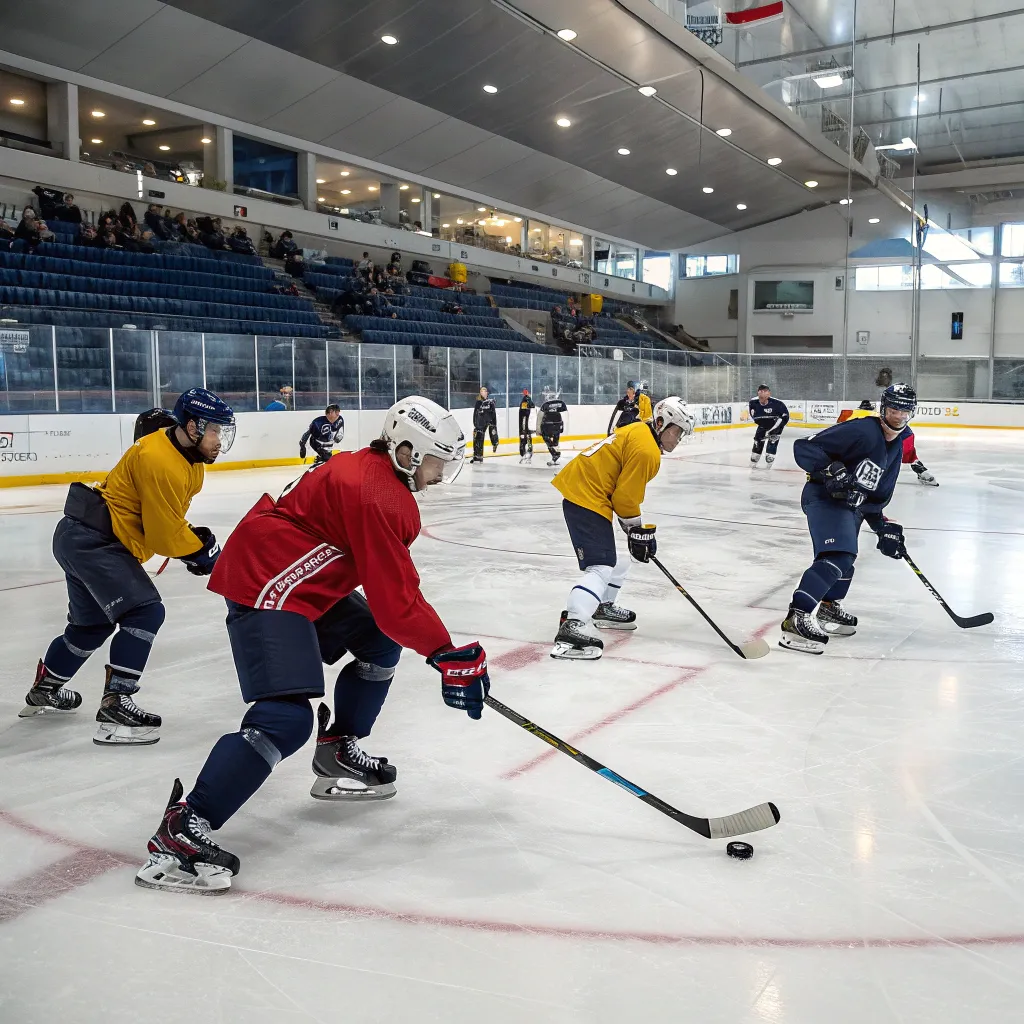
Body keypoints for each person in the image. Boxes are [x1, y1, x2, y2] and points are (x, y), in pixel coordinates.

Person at [135, 397, 491, 896]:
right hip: (269, 578)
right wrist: (446, 653)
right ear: (408, 451)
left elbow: (391, 602)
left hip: (300, 577)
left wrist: (440, 650)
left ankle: (337, 751)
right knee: (285, 718)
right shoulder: (379, 495)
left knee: (379, 642)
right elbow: (395, 597)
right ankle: (182, 829)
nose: (439, 474)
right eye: (436, 461)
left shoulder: (373, 472)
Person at [22, 388, 235, 743]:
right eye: (215, 431)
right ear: (194, 426)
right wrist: (199, 552)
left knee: (90, 627)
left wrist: (192, 543)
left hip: (82, 537)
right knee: (145, 612)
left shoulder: (190, 463)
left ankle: (46, 688)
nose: (220, 440)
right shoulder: (158, 458)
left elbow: (165, 519)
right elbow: (163, 534)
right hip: (95, 542)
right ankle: (116, 702)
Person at [550, 397, 695, 660]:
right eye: (677, 431)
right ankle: (572, 626)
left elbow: (621, 490)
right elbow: (625, 499)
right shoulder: (648, 451)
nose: (678, 438)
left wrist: (635, 532)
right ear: (661, 423)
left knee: (619, 562)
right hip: (586, 496)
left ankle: (602, 607)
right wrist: (637, 531)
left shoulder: (640, 430)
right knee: (601, 567)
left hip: (588, 491)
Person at [778, 383, 917, 655]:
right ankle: (796, 618)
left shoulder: (897, 445)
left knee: (846, 560)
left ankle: (828, 609)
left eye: (905, 411)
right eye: (894, 409)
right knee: (838, 555)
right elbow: (804, 448)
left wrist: (884, 528)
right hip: (824, 496)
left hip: (850, 505)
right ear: (882, 408)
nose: (899, 417)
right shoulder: (863, 429)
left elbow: (874, 498)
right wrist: (832, 469)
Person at [748, 384, 790, 469]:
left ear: (769, 394)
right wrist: (763, 427)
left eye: (764, 392)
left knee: (772, 444)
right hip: (762, 425)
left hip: (776, 425)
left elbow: (785, 417)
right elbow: (755, 417)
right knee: (757, 444)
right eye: (760, 392)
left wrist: (776, 430)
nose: (762, 395)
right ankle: (753, 462)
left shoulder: (778, 404)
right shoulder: (753, 403)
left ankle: (769, 464)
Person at [538, 388, 568, 466]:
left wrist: (539, 429)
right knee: (555, 442)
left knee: (547, 440)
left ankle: (555, 454)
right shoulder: (559, 406)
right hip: (557, 426)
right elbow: (563, 416)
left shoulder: (545, 406)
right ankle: (554, 457)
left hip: (547, 426)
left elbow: (540, 417)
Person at [472, 386, 498, 463]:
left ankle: (495, 443)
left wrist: (493, 423)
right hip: (480, 423)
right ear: (480, 393)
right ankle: (477, 456)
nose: (484, 392)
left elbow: (493, 414)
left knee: (493, 433)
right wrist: (475, 424)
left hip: (489, 421)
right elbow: (475, 414)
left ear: (487, 393)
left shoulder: (490, 403)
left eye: (485, 391)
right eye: (482, 391)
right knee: (478, 438)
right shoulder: (478, 402)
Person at [518, 388, 535, 463]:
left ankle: (525, 452)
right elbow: (532, 406)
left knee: (525, 437)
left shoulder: (525, 400)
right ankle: (526, 452)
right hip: (525, 425)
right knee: (526, 437)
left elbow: (530, 407)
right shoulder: (526, 400)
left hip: (524, 425)